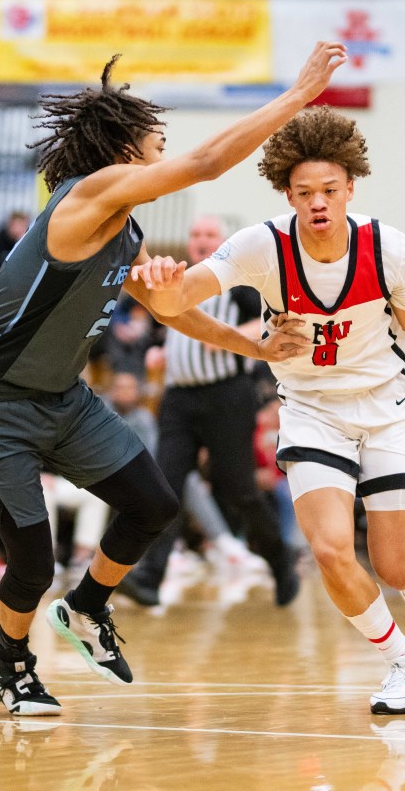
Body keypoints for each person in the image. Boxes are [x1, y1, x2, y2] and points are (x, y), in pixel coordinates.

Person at [0, 44, 347, 716]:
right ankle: (10, 663)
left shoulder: (123, 230)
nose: (170, 152)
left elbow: (171, 309)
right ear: (127, 151)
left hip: (63, 400)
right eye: (159, 141)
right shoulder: (87, 196)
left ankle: (86, 609)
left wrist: (254, 345)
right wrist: (297, 96)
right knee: (32, 565)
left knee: (153, 504)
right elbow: (206, 164)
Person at [133, 106, 405, 714]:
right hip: (310, 408)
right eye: (304, 193)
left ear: (351, 186)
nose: (318, 202)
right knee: (327, 549)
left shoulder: (388, 249)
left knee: (399, 572)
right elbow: (178, 300)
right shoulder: (261, 247)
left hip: (387, 405)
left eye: (329, 190)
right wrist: (160, 282)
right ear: (287, 195)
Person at [118, 215, 297, 609]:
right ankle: (150, 577)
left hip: (227, 396)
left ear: (223, 241)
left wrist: (232, 339)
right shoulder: (177, 283)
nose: (201, 240)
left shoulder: (237, 284)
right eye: (195, 234)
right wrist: (162, 351)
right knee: (164, 486)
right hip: (179, 401)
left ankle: (281, 559)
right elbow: (173, 326)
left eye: (209, 235)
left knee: (240, 491)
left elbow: (265, 322)